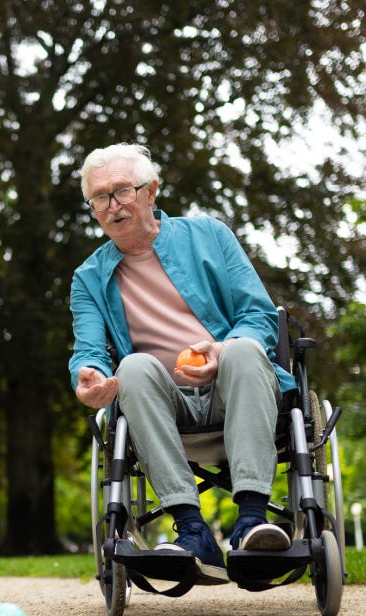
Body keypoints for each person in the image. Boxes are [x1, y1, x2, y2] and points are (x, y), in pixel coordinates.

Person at [68, 143, 297, 585]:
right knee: (132, 366)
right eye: (100, 197)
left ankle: (251, 524)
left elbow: (259, 316)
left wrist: (221, 350)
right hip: (163, 407)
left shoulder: (209, 235)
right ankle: (192, 531)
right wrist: (88, 375)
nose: (112, 206)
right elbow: (89, 350)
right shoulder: (89, 277)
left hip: (237, 391)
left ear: (151, 191)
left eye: (122, 192)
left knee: (245, 348)